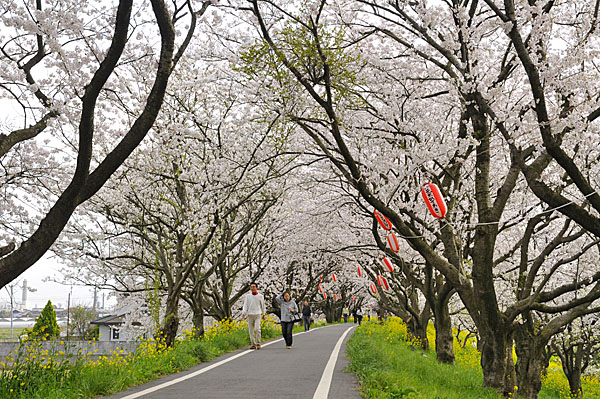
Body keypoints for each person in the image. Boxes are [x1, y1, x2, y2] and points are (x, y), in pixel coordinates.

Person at [241, 282, 266, 350]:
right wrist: (244, 313)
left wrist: (264, 314)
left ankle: (258, 343)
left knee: (257, 329)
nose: (252, 288)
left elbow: (263, 306)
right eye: (251, 287)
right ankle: (253, 344)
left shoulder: (260, 296)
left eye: (254, 287)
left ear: (256, 288)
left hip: (258, 314)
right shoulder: (248, 296)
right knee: (251, 330)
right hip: (250, 315)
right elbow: (245, 305)